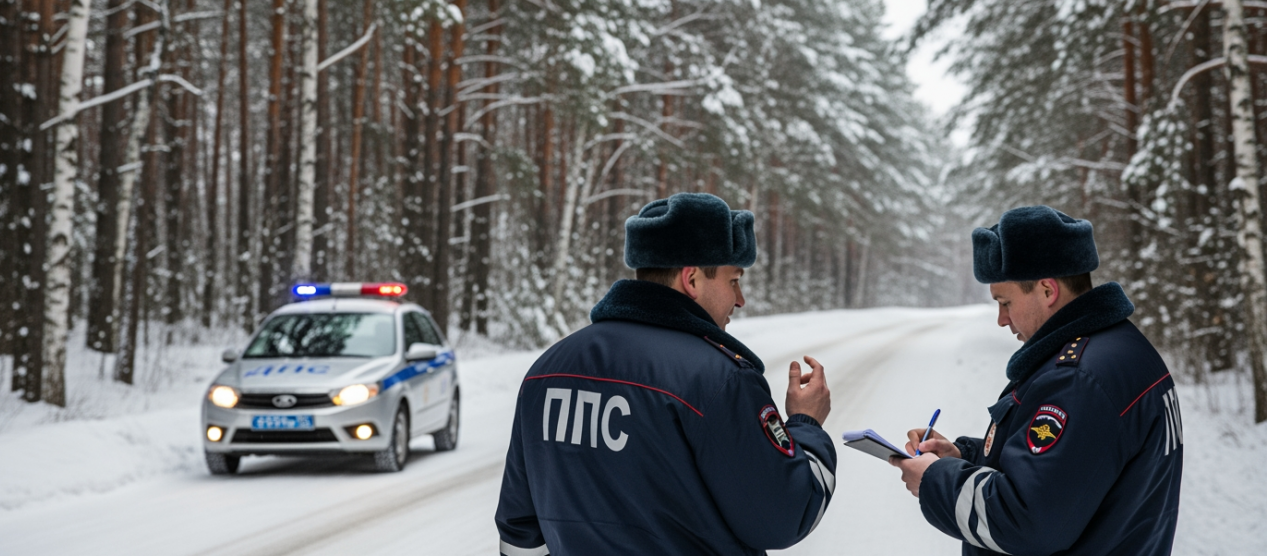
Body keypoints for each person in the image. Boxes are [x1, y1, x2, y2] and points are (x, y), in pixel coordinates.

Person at [495, 192, 837, 556]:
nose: (740, 299)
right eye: (733, 280)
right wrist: (806, 424)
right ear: (691, 280)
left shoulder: (545, 371)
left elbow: (520, 533)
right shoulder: (720, 381)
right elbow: (784, 516)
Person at [889, 205, 1183, 555]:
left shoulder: (1077, 381)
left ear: (1047, 290)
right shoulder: (1122, 346)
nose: (1001, 319)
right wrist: (960, 457)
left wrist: (934, 480)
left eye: (1005, 302)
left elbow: (1025, 521)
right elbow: (1067, 476)